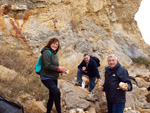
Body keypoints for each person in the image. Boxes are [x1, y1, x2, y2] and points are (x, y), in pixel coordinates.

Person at [40, 38, 67, 113]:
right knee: (57, 92)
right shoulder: (46, 52)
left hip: (53, 78)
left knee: (52, 97)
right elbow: (47, 65)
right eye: (54, 43)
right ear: (50, 43)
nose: (55, 45)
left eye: (57, 44)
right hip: (46, 77)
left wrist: (61, 71)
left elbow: (54, 67)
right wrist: (59, 68)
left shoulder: (54, 53)